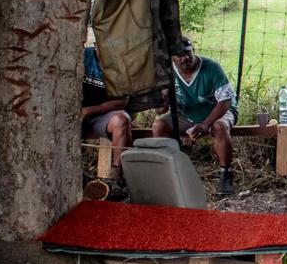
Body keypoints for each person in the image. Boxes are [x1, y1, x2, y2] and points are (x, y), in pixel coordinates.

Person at [152, 36, 237, 194]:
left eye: (188, 53)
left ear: (193, 51)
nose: (185, 58)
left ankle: (226, 175)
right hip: (185, 114)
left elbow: (225, 101)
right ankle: (171, 172)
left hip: (216, 112)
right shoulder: (166, 73)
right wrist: (163, 99)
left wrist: (206, 124)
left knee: (220, 126)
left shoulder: (211, 67)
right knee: (159, 126)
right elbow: (160, 111)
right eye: (180, 55)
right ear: (172, 58)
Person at [82, 45, 132, 187]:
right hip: (72, 116)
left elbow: (123, 101)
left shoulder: (120, 65)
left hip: (100, 117)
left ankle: (117, 177)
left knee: (122, 119)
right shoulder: (84, 55)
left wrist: (88, 111)